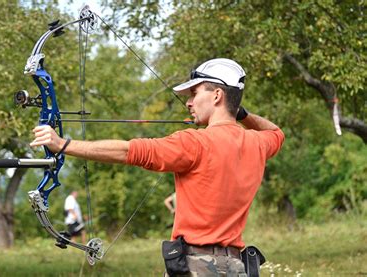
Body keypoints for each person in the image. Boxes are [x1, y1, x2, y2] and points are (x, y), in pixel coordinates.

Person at [31, 58, 284, 276]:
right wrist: (240, 113)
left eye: (195, 94)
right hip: (236, 266)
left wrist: (63, 144)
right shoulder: (257, 143)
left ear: (217, 95)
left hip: (196, 267)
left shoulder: (194, 142)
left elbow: (128, 151)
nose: (189, 102)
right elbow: (276, 132)